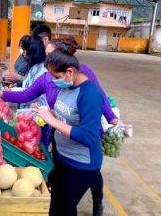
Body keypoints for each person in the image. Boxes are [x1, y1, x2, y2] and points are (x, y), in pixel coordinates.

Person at [32, 49, 104, 216]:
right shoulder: (67, 86)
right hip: (62, 157)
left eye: (56, 76)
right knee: (57, 205)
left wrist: (52, 121)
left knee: (64, 208)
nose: (53, 81)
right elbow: (66, 115)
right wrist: (48, 112)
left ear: (70, 72)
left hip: (81, 165)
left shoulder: (90, 95)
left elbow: (89, 136)